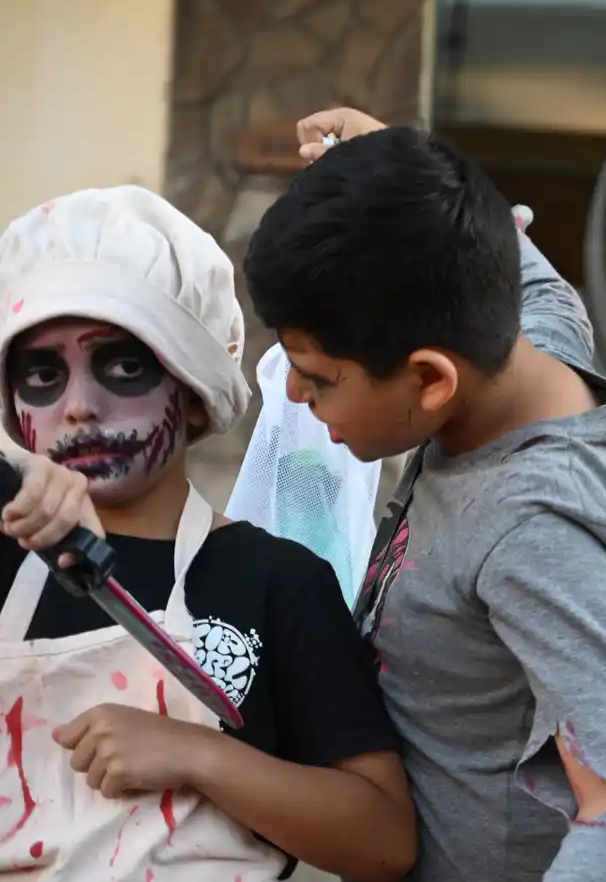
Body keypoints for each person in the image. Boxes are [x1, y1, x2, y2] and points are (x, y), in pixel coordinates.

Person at [241, 109, 606, 881]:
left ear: (431, 380)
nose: (295, 393)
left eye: (321, 377)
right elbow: (510, 261)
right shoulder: (525, 342)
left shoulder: (536, 535)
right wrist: (405, 177)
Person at [0, 186, 414, 880]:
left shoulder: (279, 583)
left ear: (194, 393)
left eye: (123, 366)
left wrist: (198, 754)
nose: (76, 407)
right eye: (42, 375)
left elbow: (385, 841)